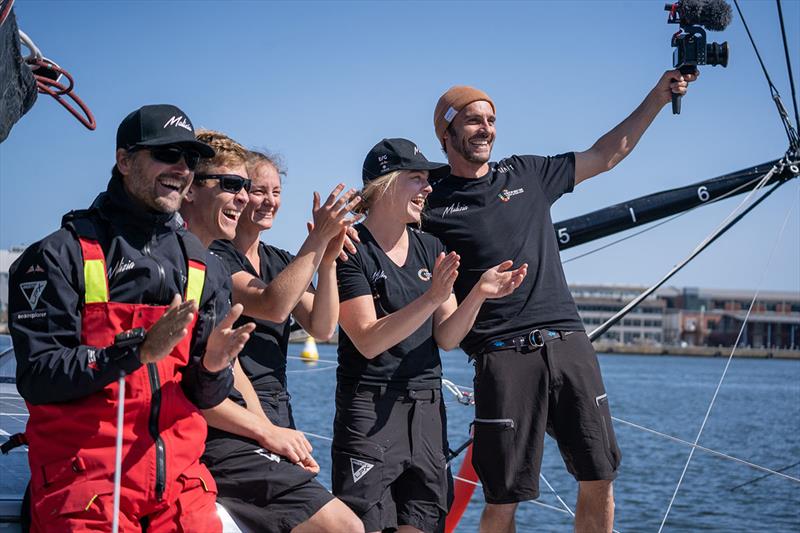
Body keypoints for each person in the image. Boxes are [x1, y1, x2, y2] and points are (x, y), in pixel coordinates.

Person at [421, 71, 698, 533]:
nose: (486, 128)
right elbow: (382, 223)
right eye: (472, 121)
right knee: (504, 496)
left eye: (491, 119)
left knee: (600, 475)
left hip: (568, 342)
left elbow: (607, 155)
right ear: (446, 133)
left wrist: (656, 95)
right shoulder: (430, 201)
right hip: (501, 356)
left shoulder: (527, 172)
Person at [7, 104, 254, 532]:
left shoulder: (205, 267)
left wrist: (214, 369)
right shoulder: (57, 255)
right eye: (166, 154)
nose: (180, 168)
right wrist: (137, 351)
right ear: (124, 161)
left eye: (190, 159)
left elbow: (201, 394)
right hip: (86, 485)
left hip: (177, 491)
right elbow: (38, 375)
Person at [333, 138, 527, 533]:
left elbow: (448, 337)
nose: (428, 189)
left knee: (424, 521)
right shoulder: (350, 249)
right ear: (384, 185)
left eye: (428, 180)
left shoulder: (432, 247)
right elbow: (368, 339)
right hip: (370, 408)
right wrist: (432, 297)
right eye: (417, 179)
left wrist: (480, 293)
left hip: (426, 408)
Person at [187, 133, 364, 533]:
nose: (267, 200)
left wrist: (327, 260)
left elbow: (322, 326)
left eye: (276, 191)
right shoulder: (216, 256)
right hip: (230, 409)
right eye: (254, 189)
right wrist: (316, 240)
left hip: (271, 408)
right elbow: (272, 304)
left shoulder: (280, 260)